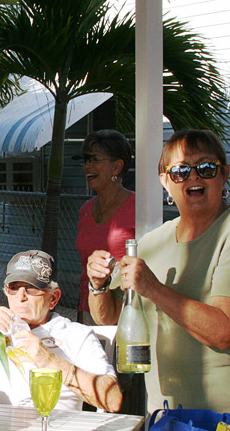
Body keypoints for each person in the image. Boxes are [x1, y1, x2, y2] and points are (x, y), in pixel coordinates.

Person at [87, 129, 230, 418]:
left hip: (226, 420)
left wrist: (154, 288)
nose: (194, 177)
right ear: (165, 181)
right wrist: (97, 285)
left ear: (224, 175)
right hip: (164, 415)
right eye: (180, 171)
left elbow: (225, 332)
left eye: (206, 168)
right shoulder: (152, 241)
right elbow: (111, 316)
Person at [0, 250, 122, 412]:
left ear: (53, 298)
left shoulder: (75, 334)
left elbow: (112, 400)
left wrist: (50, 361)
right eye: (14, 288)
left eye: (32, 289)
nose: (21, 297)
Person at [74, 129, 135, 325]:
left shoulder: (139, 208)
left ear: (117, 167)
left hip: (127, 312)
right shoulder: (85, 210)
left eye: (95, 159)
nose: (87, 166)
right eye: (85, 160)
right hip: (89, 309)